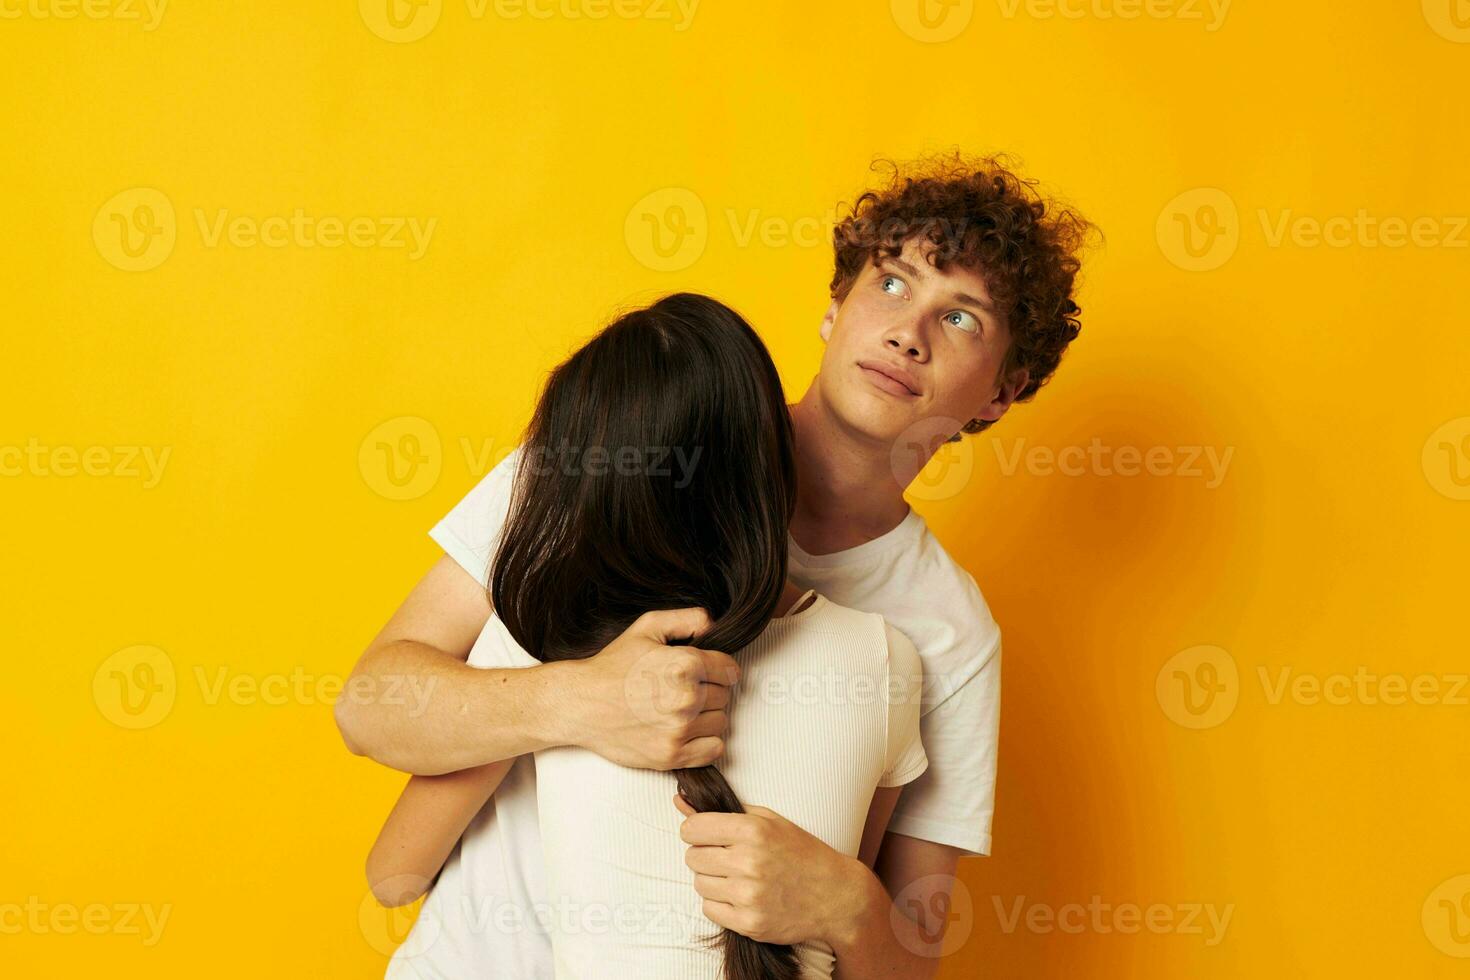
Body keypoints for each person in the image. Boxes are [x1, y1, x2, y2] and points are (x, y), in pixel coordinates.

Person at [336, 153, 1092, 977]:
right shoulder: (622, 448)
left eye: (961, 319)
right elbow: (371, 709)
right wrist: (575, 700)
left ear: (1000, 394)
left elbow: (905, 962)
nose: (907, 332)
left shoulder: (941, 635)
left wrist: (848, 904)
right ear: (833, 309)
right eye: (893, 282)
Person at [366, 292, 928, 979]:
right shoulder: (886, 660)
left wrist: (551, 710)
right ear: (778, 457)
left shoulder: (545, 625)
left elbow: (393, 877)